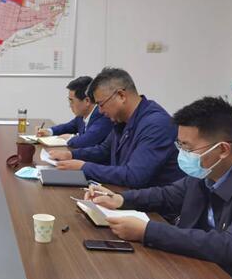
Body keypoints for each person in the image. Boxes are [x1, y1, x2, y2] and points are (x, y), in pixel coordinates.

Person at [85, 97, 232, 279]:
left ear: (223, 149)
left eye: (188, 147)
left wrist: (147, 231)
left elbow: (229, 247)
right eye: (179, 145)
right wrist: (120, 199)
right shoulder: (206, 173)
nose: (182, 154)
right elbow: (167, 195)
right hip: (199, 272)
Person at [49, 67, 183, 188]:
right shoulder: (122, 119)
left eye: (101, 104)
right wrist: (71, 155)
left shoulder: (156, 124)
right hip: (126, 194)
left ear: (121, 96)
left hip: (154, 204)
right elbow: (104, 150)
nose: (100, 111)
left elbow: (134, 176)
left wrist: (84, 167)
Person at [36, 75, 112, 149]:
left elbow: (86, 141)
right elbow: (68, 126)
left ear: (87, 101)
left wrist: (70, 138)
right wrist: (49, 131)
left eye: (72, 101)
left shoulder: (102, 116)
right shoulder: (81, 116)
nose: (70, 106)